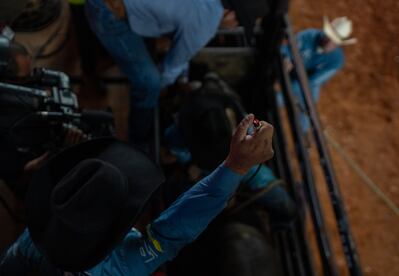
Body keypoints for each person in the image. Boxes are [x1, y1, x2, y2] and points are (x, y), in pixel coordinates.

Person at [0, 113, 274, 275]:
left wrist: (233, 168)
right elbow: (169, 235)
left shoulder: (37, 236)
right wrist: (235, 166)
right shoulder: (121, 266)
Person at [84, 0, 270, 145]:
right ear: (230, 13)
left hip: (122, 6)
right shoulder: (207, 22)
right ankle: (138, 141)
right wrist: (174, 84)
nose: (233, 27)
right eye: (238, 21)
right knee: (150, 84)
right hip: (107, 10)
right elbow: (169, 70)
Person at [164, 75, 296, 224]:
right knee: (286, 208)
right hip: (223, 167)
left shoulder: (187, 120)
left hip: (226, 166)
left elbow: (174, 143)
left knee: (187, 209)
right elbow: (254, 122)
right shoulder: (228, 104)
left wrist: (189, 164)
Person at [278, 16, 357, 132]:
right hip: (290, 70)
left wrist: (288, 92)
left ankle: (302, 140)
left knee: (306, 108)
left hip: (307, 83)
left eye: (334, 42)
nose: (329, 43)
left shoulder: (337, 60)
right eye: (329, 37)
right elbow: (287, 48)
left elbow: (314, 81)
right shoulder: (309, 35)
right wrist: (286, 57)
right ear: (325, 32)